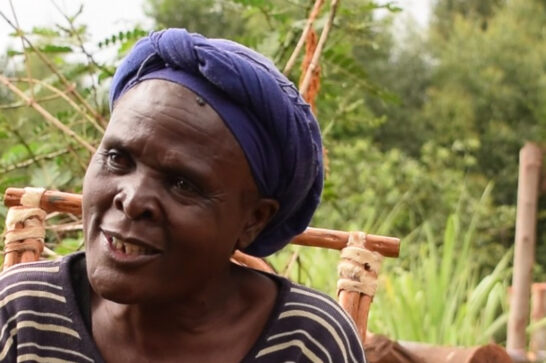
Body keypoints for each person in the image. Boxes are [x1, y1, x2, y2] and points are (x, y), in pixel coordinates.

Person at [0, 29, 366, 362]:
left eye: (182, 184)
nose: (132, 200)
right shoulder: (23, 314)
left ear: (253, 220)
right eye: (117, 158)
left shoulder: (307, 342)